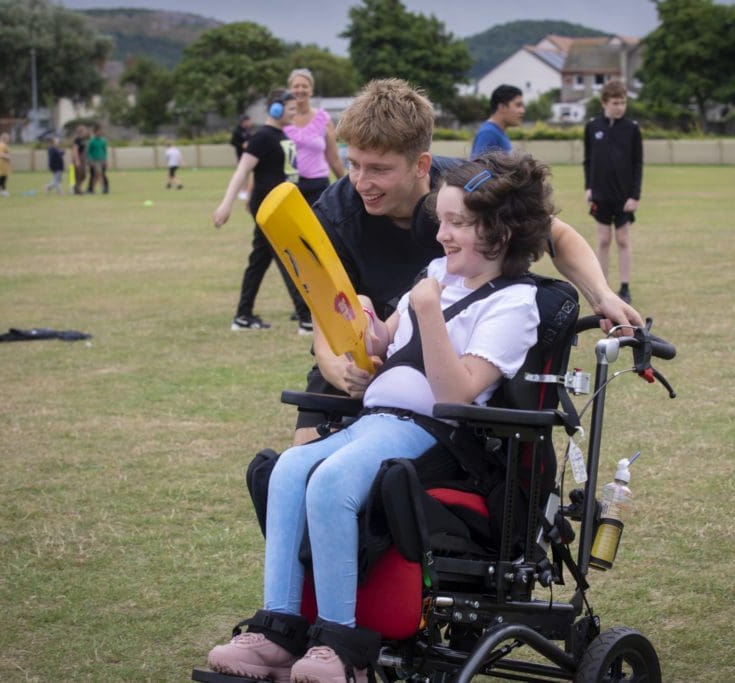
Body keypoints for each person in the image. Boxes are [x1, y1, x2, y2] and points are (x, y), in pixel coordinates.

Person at [206, 151, 554, 683]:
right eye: (443, 221)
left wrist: (431, 311)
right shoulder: (437, 273)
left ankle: (341, 647)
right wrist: (366, 320)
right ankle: (278, 630)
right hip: (377, 423)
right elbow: (384, 339)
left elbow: (455, 391)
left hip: (439, 440)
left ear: (502, 233)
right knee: (287, 471)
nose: (442, 236)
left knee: (333, 483)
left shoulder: (513, 304)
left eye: (459, 223)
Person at [293, 78, 642, 446]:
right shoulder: (332, 215)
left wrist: (601, 294)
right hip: (369, 349)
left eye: (379, 169)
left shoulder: (465, 189)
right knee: (302, 457)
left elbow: (557, 235)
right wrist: (344, 372)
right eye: (354, 164)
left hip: (455, 351)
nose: (361, 182)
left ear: (421, 164)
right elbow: (325, 319)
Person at [213, 90, 313, 333]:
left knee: (259, 261)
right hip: (269, 207)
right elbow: (242, 170)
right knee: (288, 258)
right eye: (290, 108)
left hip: (282, 205)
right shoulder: (263, 137)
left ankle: (243, 316)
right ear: (275, 109)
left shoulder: (280, 135)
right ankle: (306, 318)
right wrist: (227, 203)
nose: (294, 112)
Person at [583, 80, 643, 304]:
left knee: (623, 239)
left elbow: (638, 164)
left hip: (623, 196)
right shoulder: (593, 127)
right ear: (604, 103)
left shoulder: (632, 129)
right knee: (603, 240)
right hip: (600, 194)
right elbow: (588, 160)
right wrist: (588, 187)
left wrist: (634, 196)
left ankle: (625, 287)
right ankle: (603, 286)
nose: (620, 107)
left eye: (623, 102)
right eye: (615, 103)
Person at [283, 68, 346, 208]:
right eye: (296, 86)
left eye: (305, 86)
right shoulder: (282, 121)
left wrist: (348, 187)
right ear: (290, 90)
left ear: (311, 90)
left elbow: (334, 159)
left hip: (318, 186)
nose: (300, 90)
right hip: (289, 186)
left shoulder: (323, 119)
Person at [470, 84, 524, 158]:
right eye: (518, 105)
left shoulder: (498, 132)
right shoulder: (488, 133)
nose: (522, 111)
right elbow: (477, 168)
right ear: (502, 107)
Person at [231, 114, 254, 202]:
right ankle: (241, 191)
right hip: (241, 155)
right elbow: (233, 142)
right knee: (242, 173)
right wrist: (241, 145)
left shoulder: (248, 130)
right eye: (248, 121)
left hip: (249, 155)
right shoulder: (237, 131)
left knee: (248, 174)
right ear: (244, 121)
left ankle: (245, 190)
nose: (250, 123)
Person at [86, 124, 109, 194]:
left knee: (97, 175)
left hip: (101, 160)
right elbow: (88, 151)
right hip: (94, 160)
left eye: (101, 131)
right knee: (99, 174)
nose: (100, 133)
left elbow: (105, 151)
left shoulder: (103, 141)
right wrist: (90, 160)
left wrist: (105, 160)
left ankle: (91, 189)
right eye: (98, 131)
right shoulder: (91, 141)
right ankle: (103, 188)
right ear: (95, 132)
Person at [71, 125, 89, 195]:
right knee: (78, 175)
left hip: (83, 159)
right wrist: (77, 160)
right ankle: (78, 190)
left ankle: (78, 188)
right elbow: (75, 150)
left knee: (84, 175)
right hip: (78, 158)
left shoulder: (82, 140)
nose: (86, 131)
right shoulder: (77, 139)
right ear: (81, 131)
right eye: (85, 130)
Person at [0, 132, 11, 197]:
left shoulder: (2, 144)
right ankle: (3, 190)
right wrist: (7, 156)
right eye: (8, 138)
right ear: (5, 138)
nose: (8, 140)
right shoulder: (1, 145)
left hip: (3, 163)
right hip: (1, 163)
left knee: (2, 177)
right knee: (3, 177)